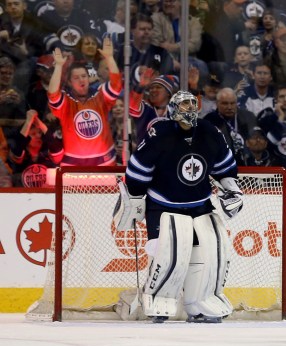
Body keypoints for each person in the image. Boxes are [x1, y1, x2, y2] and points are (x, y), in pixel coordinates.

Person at [114, 90, 243, 324]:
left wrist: (233, 190)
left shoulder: (209, 131)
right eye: (184, 105)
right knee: (167, 252)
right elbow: (137, 171)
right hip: (162, 205)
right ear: (173, 109)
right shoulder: (159, 134)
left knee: (212, 251)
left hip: (200, 204)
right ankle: (158, 297)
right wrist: (134, 198)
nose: (190, 109)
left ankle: (200, 302)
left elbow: (224, 168)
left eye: (193, 104)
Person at [48, 37, 122, 166]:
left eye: (84, 76)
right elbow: (53, 94)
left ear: (89, 79)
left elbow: (116, 84)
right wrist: (59, 66)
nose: (81, 80)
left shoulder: (99, 95)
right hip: (73, 163)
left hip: (104, 161)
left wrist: (109, 58)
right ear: (70, 83)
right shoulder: (66, 102)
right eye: (76, 78)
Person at [9, 109, 63, 187]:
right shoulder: (19, 153)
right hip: (23, 195)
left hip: (48, 195)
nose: (38, 136)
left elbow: (56, 149)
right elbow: (18, 150)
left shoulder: (48, 152)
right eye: (33, 134)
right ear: (26, 137)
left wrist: (40, 124)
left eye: (40, 133)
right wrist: (28, 122)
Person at [204, 87, 257, 164]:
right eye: (225, 103)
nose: (229, 107)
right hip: (220, 163)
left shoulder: (248, 117)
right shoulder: (209, 120)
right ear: (217, 103)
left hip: (247, 162)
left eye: (232, 103)